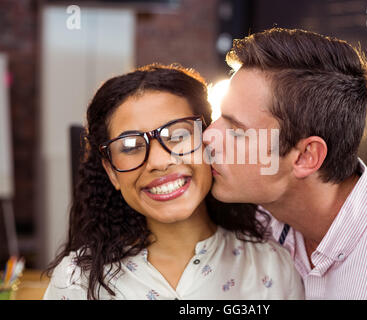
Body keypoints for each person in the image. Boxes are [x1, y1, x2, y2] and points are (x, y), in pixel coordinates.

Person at [203, 28, 367, 299]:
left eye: (237, 131)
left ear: (306, 156)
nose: (208, 136)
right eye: (218, 116)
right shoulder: (243, 223)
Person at [43, 64, 304, 300]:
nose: (158, 161)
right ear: (112, 172)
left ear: (209, 140)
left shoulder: (273, 268)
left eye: (178, 135)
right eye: (131, 146)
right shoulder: (76, 282)